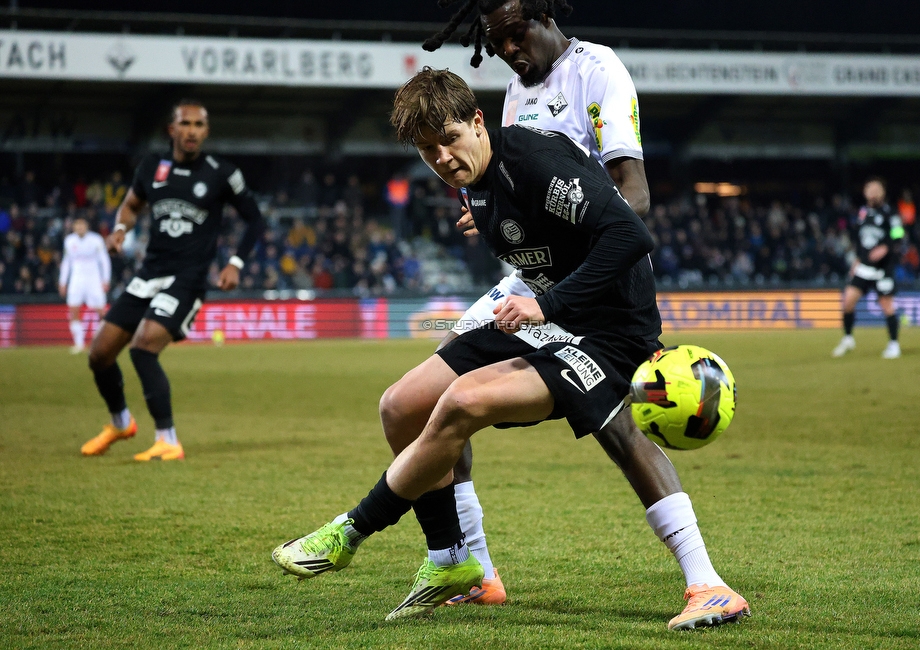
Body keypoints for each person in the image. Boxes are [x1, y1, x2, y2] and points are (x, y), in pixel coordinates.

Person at [272, 69, 749, 630]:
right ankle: (458, 563)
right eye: (427, 150)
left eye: (450, 139)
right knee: (402, 405)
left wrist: (548, 304)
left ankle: (350, 531)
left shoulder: (533, 162)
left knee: (470, 403)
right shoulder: (478, 178)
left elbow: (630, 234)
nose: (443, 157)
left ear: (478, 122)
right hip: (546, 317)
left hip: (609, 333)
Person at [393, 0, 651, 605]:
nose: (508, 49)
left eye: (516, 33)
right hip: (531, 278)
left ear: (547, 16)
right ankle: (473, 568)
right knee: (421, 398)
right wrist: (487, 211)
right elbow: (507, 182)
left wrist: (566, 274)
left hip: (593, 281)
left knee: (611, 423)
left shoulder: (597, 71)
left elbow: (631, 200)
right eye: (495, 40)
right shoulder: (515, 92)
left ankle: (702, 574)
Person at [80, 99, 265, 461]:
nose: (192, 131)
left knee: (143, 347)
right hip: (149, 273)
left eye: (199, 124)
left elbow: (255, 219)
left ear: (206, 131)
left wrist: (236, 262)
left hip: (187, 279)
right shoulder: (152, 167)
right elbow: (131, 205)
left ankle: (167, 439)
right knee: (99, 355)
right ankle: (121, 423)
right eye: (185, 123)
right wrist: (120, 229)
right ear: (172, 129)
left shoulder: (222, 172)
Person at [832, 177, 904, 359]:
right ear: (865, 193)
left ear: (882, 193)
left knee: (886, 305)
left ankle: (894, 344)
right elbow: (860, 240)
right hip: (864, 266)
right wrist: (857, 259)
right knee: (848, 301)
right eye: (870, 190)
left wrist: (886, 247)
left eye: (876, 190)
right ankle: (848, 338)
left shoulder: (890, 212)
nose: (873, 193)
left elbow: (899, 234)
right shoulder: (863, 213)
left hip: (882, 268)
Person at [59, 216, 112, 354]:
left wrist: (106, 279)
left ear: (86, 227)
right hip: (76, 279)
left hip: (94, 278)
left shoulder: (96, 240)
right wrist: (62, 282)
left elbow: (104, 260)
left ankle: (104, 341)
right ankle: (79, 343)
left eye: (82, 225)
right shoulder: (69, 241)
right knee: (73, 310)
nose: (80, 228)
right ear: (74, 227)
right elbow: (66, 262)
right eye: (77, 225)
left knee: (101, 311)